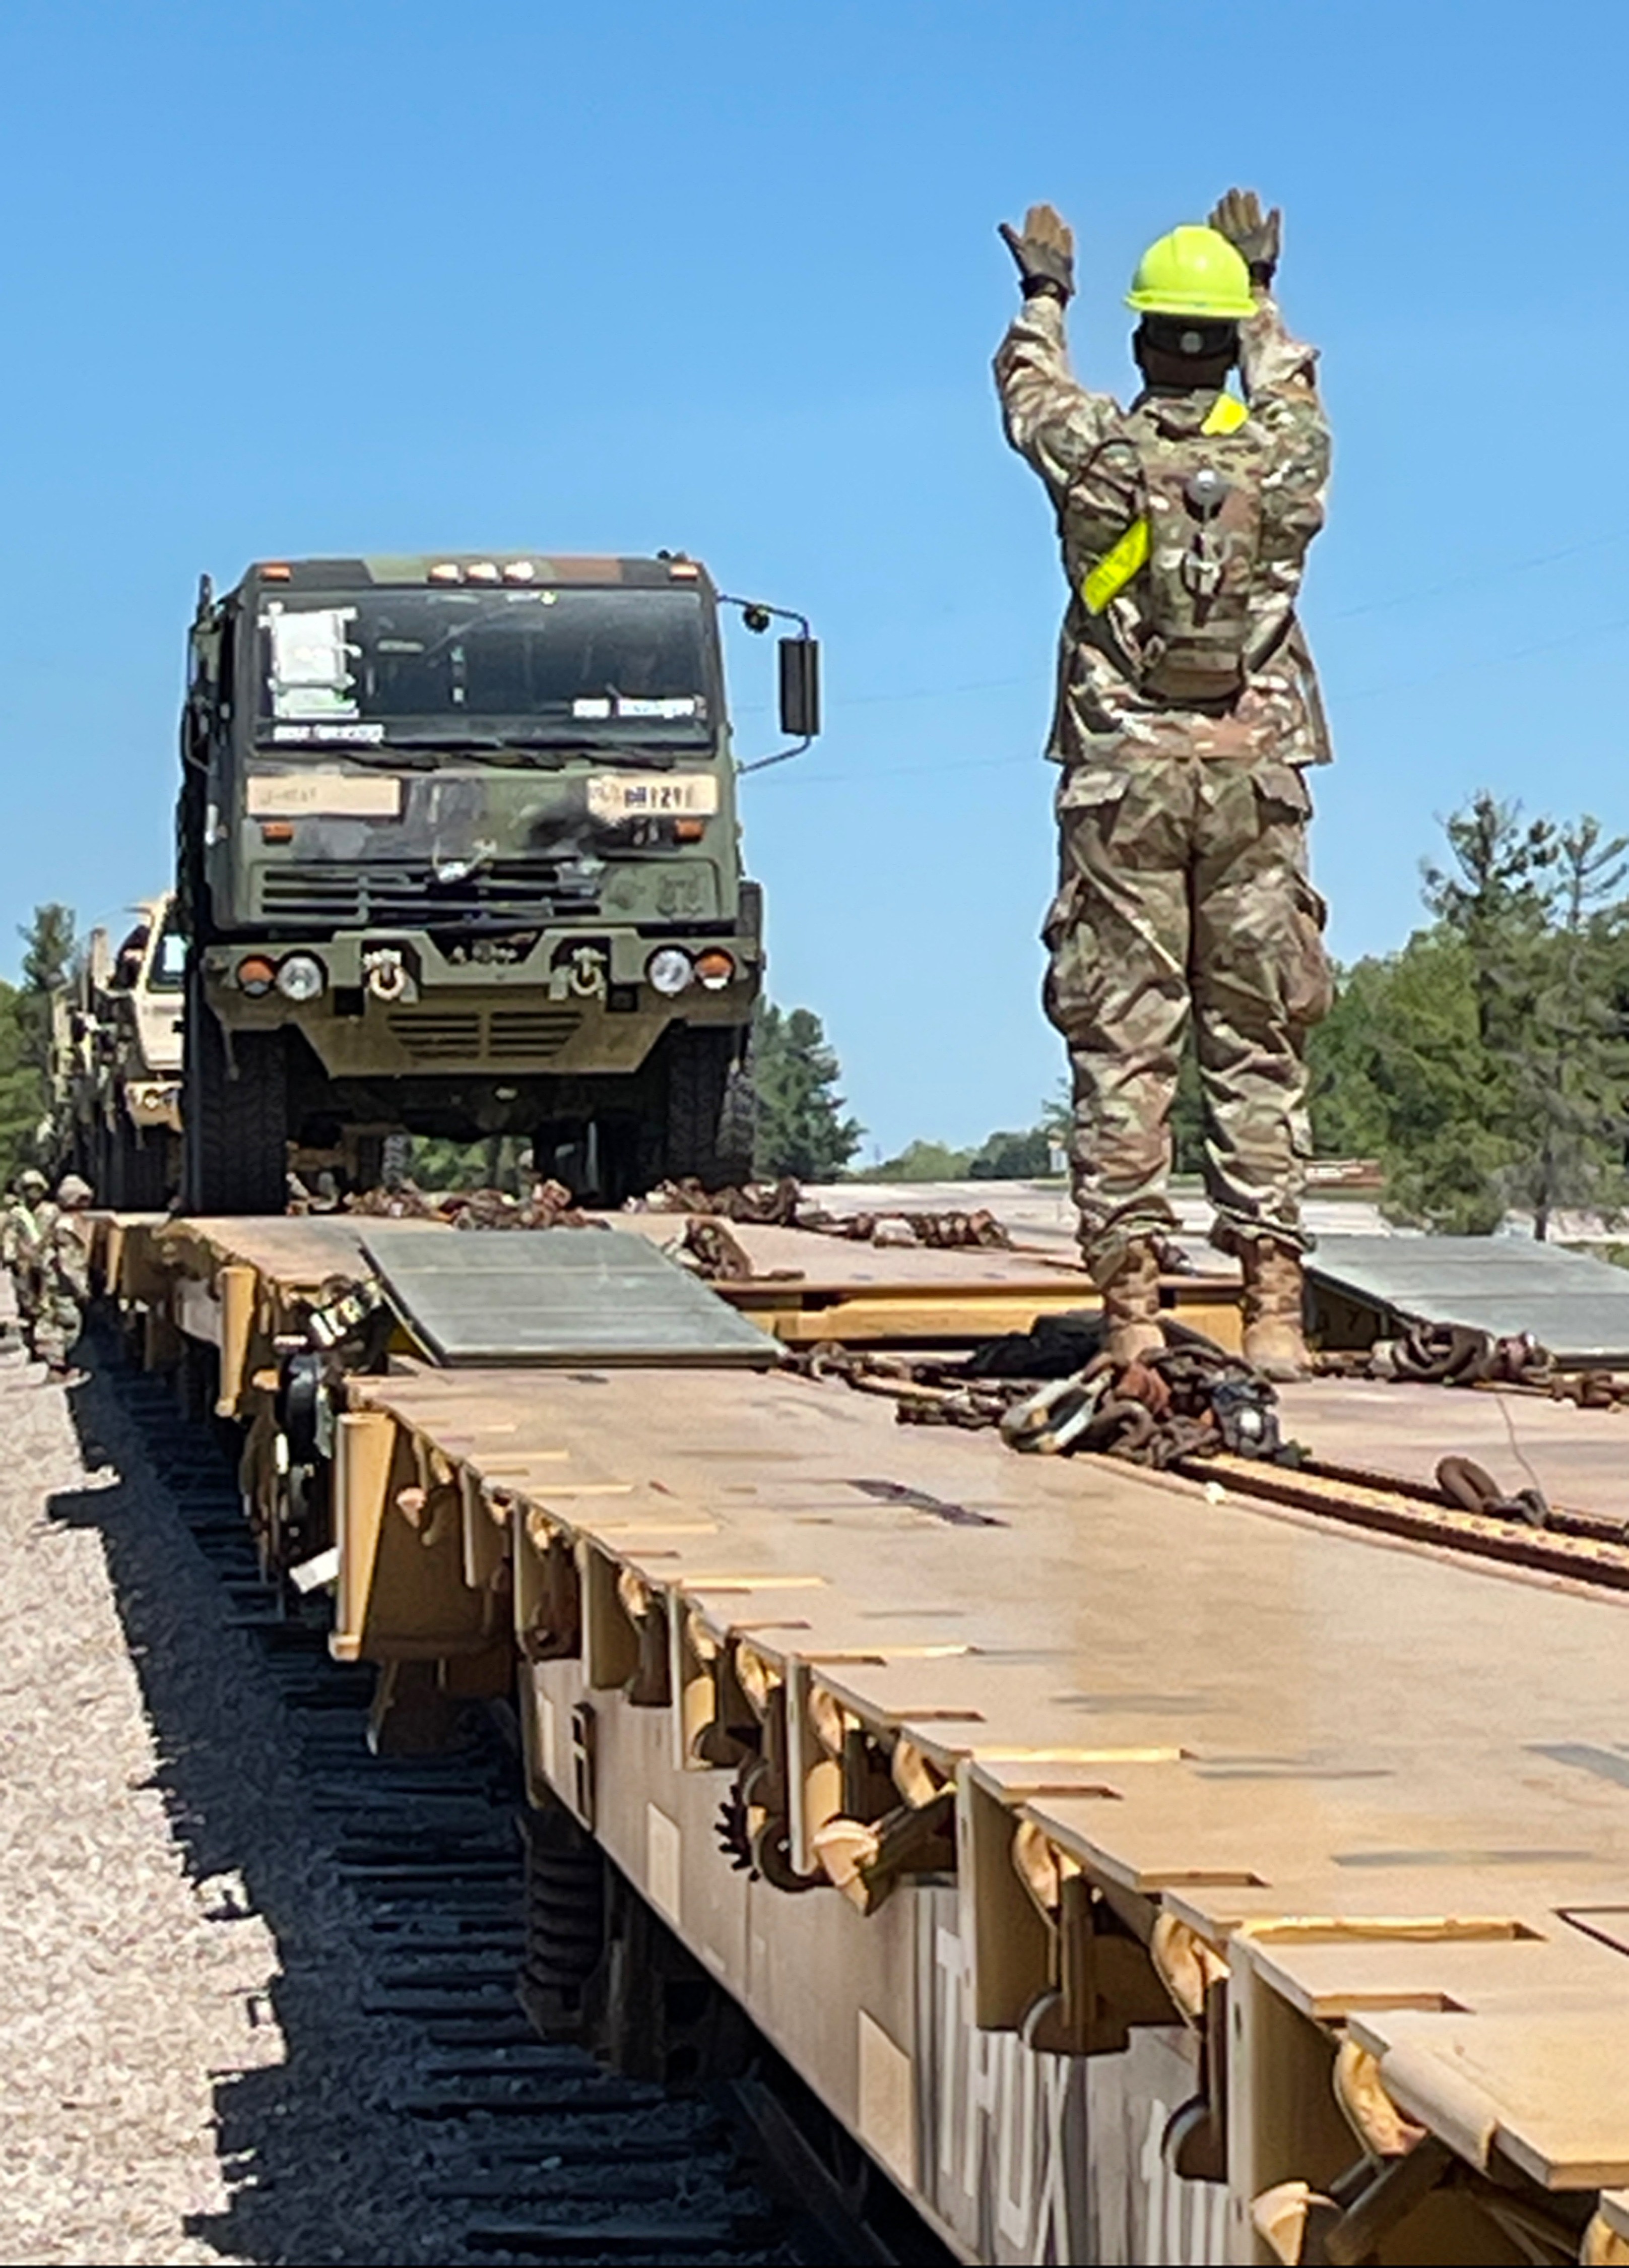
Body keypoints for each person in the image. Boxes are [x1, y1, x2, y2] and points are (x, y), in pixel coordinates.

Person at [994, 188, 1333, 1378]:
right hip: (1255, 780)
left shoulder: (1095, 455)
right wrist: (1261, 287)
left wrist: (1043, 293)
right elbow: (1288, 389)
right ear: (1226, 340)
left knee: (1123, 1038)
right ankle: (1274, 1307)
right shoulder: (1283, 459)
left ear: (1144, 344)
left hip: (1120, 779)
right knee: (1256, 1038)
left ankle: (1132, 1309)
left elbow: (1023, 391)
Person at [28, 1172, 92, 1376]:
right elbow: (68, 1262)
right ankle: (58, 1367)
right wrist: (81, 1289)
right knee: (68, 1322)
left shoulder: (61, 1221)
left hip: (58, 1282)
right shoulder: (66, 1226)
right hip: (62, 1284)